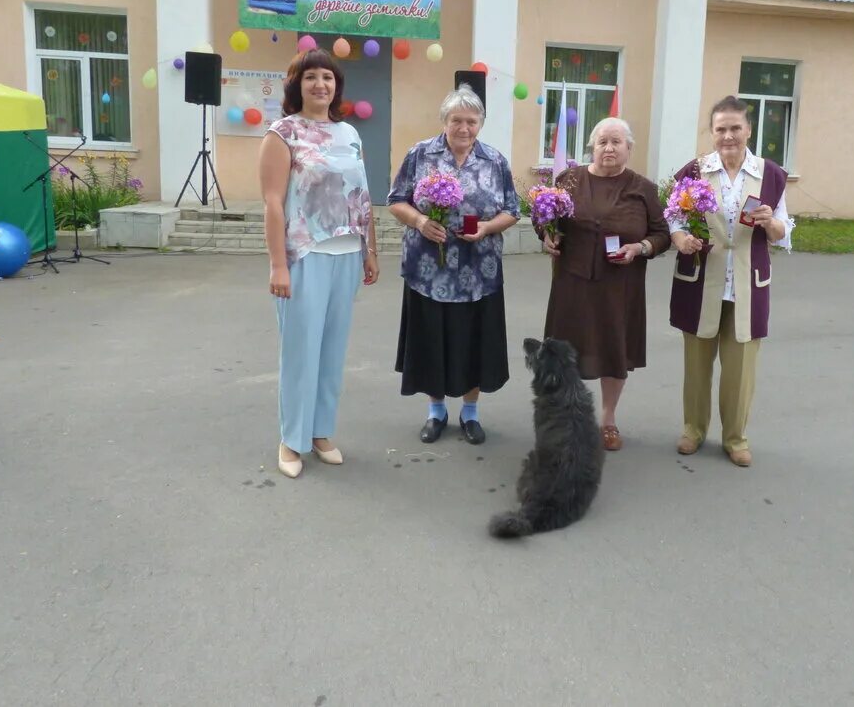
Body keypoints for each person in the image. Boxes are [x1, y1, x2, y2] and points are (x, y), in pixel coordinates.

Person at [258, 48, 379, 479]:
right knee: (300, 353)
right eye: (311, 77)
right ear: (297, 84)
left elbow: (363, 197)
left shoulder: (349, 134)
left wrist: (370, 250)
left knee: (331, 352)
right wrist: (278, 265)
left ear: (336, 86)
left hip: (346, 255)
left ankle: (321, 431)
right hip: (304, 255)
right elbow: (273, 203)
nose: (320, 85)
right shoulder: (282, 133)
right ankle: (292, 439)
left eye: (327, 77)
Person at [387, 85, 519, 445]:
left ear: (481, 123)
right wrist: (419, 222)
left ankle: (471, 413)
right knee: (433, 340)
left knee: (474, 343)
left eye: (471, 121)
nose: (464, 128)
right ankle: (436, 411)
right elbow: (395, 200)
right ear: (444, 121)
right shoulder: (420, 155)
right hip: (429, 272)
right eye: (456, 120)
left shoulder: (495, 160)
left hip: (480, 272)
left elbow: (513, 209)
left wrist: (489, 227)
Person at [667, 96, 794, 467]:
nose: (728, 136)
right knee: (696, 365)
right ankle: (693, 429)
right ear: (711, 132)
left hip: (747, 284)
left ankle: (736, 438)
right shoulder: (693, 171)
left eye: (735, 128)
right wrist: (679, 237)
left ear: (748, 130)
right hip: (700, 279)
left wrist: (771, 223)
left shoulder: (770, 174)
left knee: (740, 371)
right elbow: (674, 217)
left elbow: (784, 231)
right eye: (720, 129)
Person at [540, 117, 670, 450]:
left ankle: (608, 420)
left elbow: (662, 234)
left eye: (616, 142)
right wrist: (547, 235)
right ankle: (564, 419)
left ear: (629, 148)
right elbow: (545, 215)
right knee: (565, 352)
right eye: (602, 142)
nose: (608, 148)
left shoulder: (644, 189)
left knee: (613, 350)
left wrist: (640, 248)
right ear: (592, 147)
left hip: (619, 287)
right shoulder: (569, 179)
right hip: (572, 282)